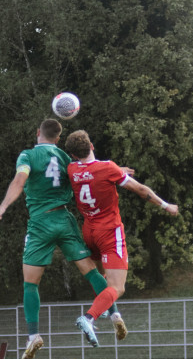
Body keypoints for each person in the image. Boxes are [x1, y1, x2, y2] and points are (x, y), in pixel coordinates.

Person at [0, 120, 124, 359]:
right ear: (58, 138)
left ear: (37, 133)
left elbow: (20, 181)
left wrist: (3, 206)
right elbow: (89, 172)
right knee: (91, 272)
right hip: (64, 218)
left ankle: (33, 336)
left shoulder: (28, 155)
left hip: (40, 223)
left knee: (31, 283)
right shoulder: (65, 157)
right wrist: (116, 170)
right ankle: (114, 314)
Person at [64, 130, 179, 346]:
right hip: (109, 233)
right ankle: (88, 318)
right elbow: (141, 189)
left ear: (72, 154)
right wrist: (166, 206)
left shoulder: (71, 169)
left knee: (104, 278)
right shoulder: (107, 168)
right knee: (118, 287)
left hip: (88, 231)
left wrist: (117, 172)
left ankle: (114, 315)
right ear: (92, 146)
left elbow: (89, 172)